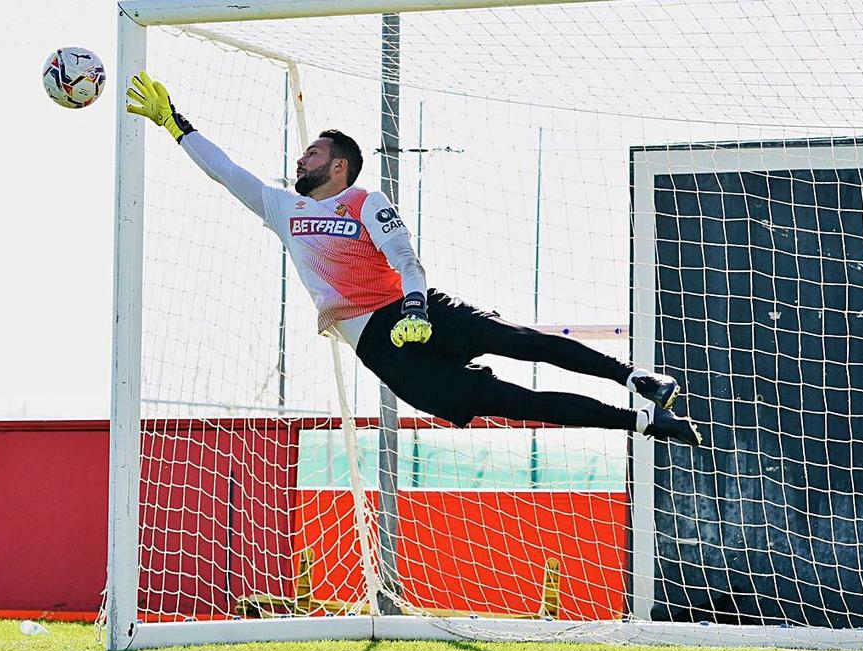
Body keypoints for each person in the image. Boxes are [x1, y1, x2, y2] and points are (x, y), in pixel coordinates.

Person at [126, 72, 702, 446]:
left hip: (413, 309)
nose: (301, 157)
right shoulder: (281, 208)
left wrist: (418, 307)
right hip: (380, 347)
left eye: (314, 152)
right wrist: (174, 121)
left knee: (519, 339)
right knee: (513, 401)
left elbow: (405, 258)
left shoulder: (365, 201)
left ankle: (635, 378)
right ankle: (646, 423)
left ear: (338, 168)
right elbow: (226, 171)